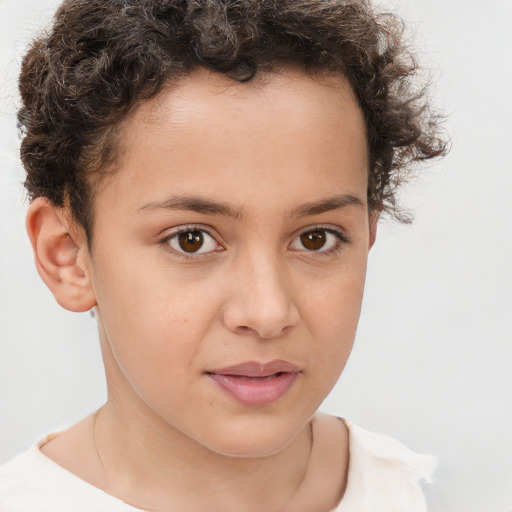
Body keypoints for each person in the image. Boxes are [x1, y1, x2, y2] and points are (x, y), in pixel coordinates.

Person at [0, 0, 447, 510]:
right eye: (191, 239)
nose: (267, 313)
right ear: (68, 256)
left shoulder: (409, 491)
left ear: (367, 234)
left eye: (316, 238)